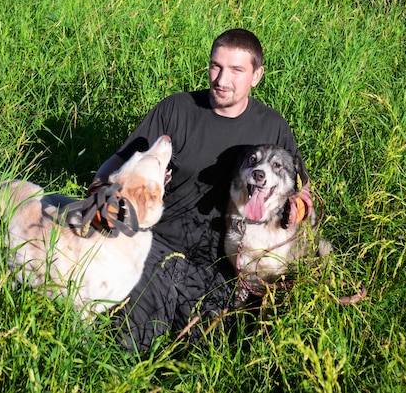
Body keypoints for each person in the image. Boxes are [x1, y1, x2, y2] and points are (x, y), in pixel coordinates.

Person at [94, 28, 314, 351]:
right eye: (216, 66)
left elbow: (304, 189)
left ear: (257, 75)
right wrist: (99, 193)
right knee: (127, 341)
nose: (222, 79)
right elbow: (119, 162)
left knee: (208, 353)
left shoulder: (272, 126)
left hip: (222, 263)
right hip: (159, 246)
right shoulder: (177, 110)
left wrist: (300, 208)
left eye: (237, 70)